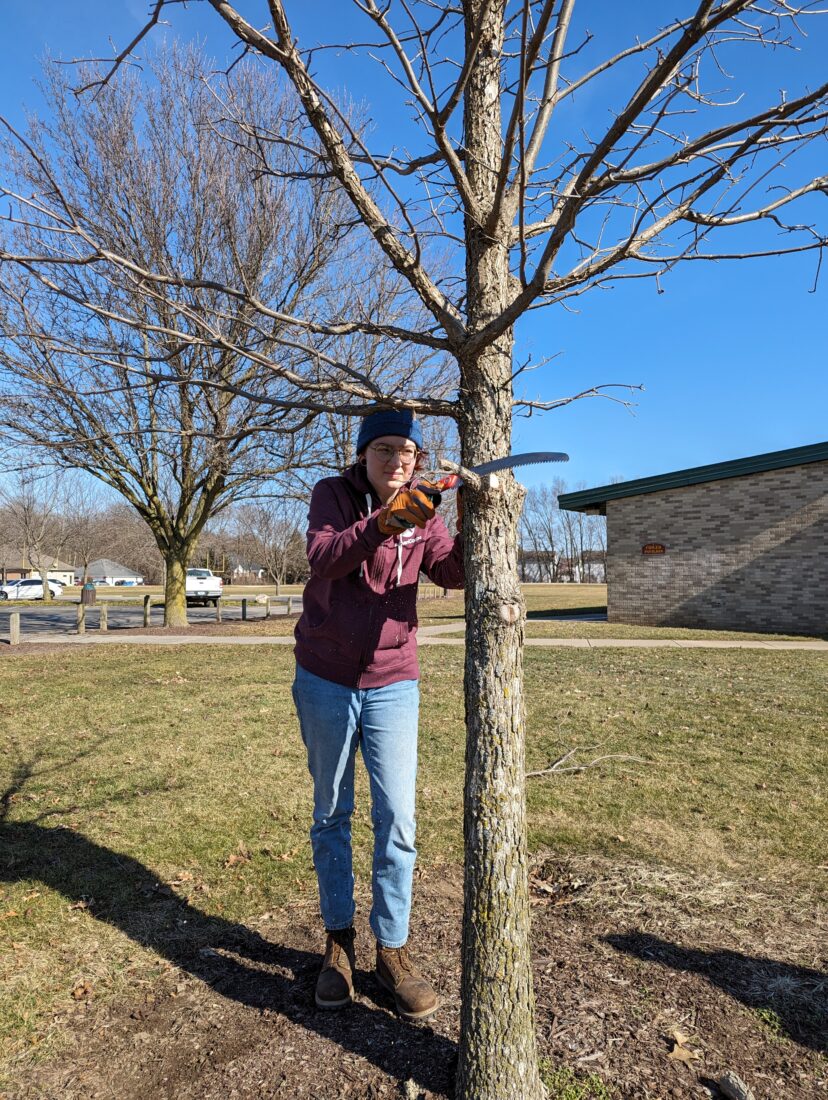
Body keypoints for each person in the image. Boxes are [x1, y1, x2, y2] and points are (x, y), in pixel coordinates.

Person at [292, 409, 464, 1020]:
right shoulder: (333, 495)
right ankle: (338, 943)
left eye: (408, 451)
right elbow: (325, 557)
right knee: (332, 811)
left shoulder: (426, 509)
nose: (398, 460)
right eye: (385, 449)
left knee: (397, 818)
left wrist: (473, 516)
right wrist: (386, 524)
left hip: (394, 680)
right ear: (363, 455)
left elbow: (456, 572)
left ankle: (392, 949)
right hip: (326, 677)